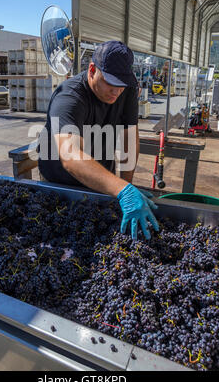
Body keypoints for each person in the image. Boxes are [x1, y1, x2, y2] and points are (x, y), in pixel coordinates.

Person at [38, 41, 159, 240]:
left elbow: (129, 138)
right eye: (110, 83)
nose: (116, 91)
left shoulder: (125, 88)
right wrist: (122, 189)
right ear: (92, 70)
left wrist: (124, 187)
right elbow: (70, 157)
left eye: (121, 85)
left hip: (102, 180)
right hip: (62, 184)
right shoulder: (69, 97)